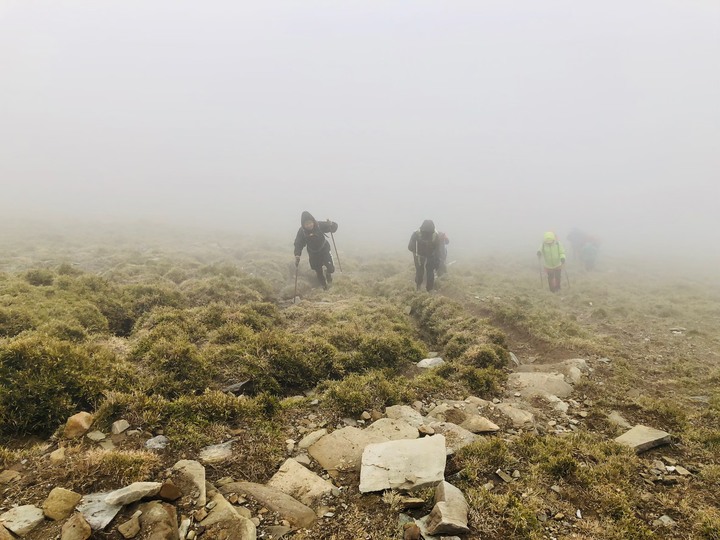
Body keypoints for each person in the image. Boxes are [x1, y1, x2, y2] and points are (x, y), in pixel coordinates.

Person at [294, 211, 338, 290]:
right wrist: (297, 254)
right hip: (313, 253)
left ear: (313, 221)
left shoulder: (319, 225)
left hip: (324, 249)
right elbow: (298, 243)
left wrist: (331, 224)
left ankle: (328, 274)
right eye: (306, 224)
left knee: (331, 268)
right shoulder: (302, 231)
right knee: (318, 271)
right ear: (303, 225)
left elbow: (333, 228)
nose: (309, 225)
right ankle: (324, 287)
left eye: (310, 223)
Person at [408, 220, 443, 291]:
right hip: (427, 255)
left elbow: (410, 247)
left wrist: (415, 254)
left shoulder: (416, 233)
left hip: (422, 255)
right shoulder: (435, 235)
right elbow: (438, 250)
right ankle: (429, 290)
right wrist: (437, 261)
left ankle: (419, 288)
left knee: (420, 270)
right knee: (429, 271)